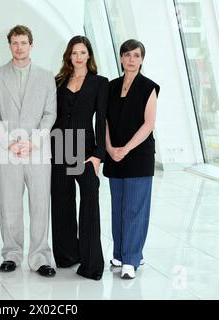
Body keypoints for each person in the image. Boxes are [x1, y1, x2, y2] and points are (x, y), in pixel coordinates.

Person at [0, 25, 57, 277]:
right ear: (9, 46)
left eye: (23, 42)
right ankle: (11, 254)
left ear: (31, 45)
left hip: (37, 151)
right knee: (9, 205)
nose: (19, 47)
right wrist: (9, 142)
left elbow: (50, 114)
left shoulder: (46, 76)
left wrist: (33, 142)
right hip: (8, 151)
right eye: (15, 43)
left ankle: (40, 257)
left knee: (39, 205)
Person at [51, 36, 108, 280]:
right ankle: (66, 256)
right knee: (62, 203)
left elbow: (103, 120)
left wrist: (98, 155)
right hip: (59, 146)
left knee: (89, 203)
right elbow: (52, 116)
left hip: (85, 149)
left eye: (82, 52)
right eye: (74, 52)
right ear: (69, 55)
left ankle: (92, 264)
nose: (78, 57)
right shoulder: (59, 81)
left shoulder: (99, 82)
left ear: (89, 55)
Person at [103, 39, 160, 279]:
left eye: (136, 56)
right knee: (118, 208)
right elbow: (104, 121)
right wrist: (109, 147)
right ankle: (119, 253)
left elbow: (149, 124)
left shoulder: (149, 87)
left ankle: (132, 259)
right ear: (121, 58)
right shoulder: (111, 86)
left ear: (142, 59)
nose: (131, 60)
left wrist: (125, 148)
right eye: (127, 55)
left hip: (138, 156)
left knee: (134, 209)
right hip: (114, 155)